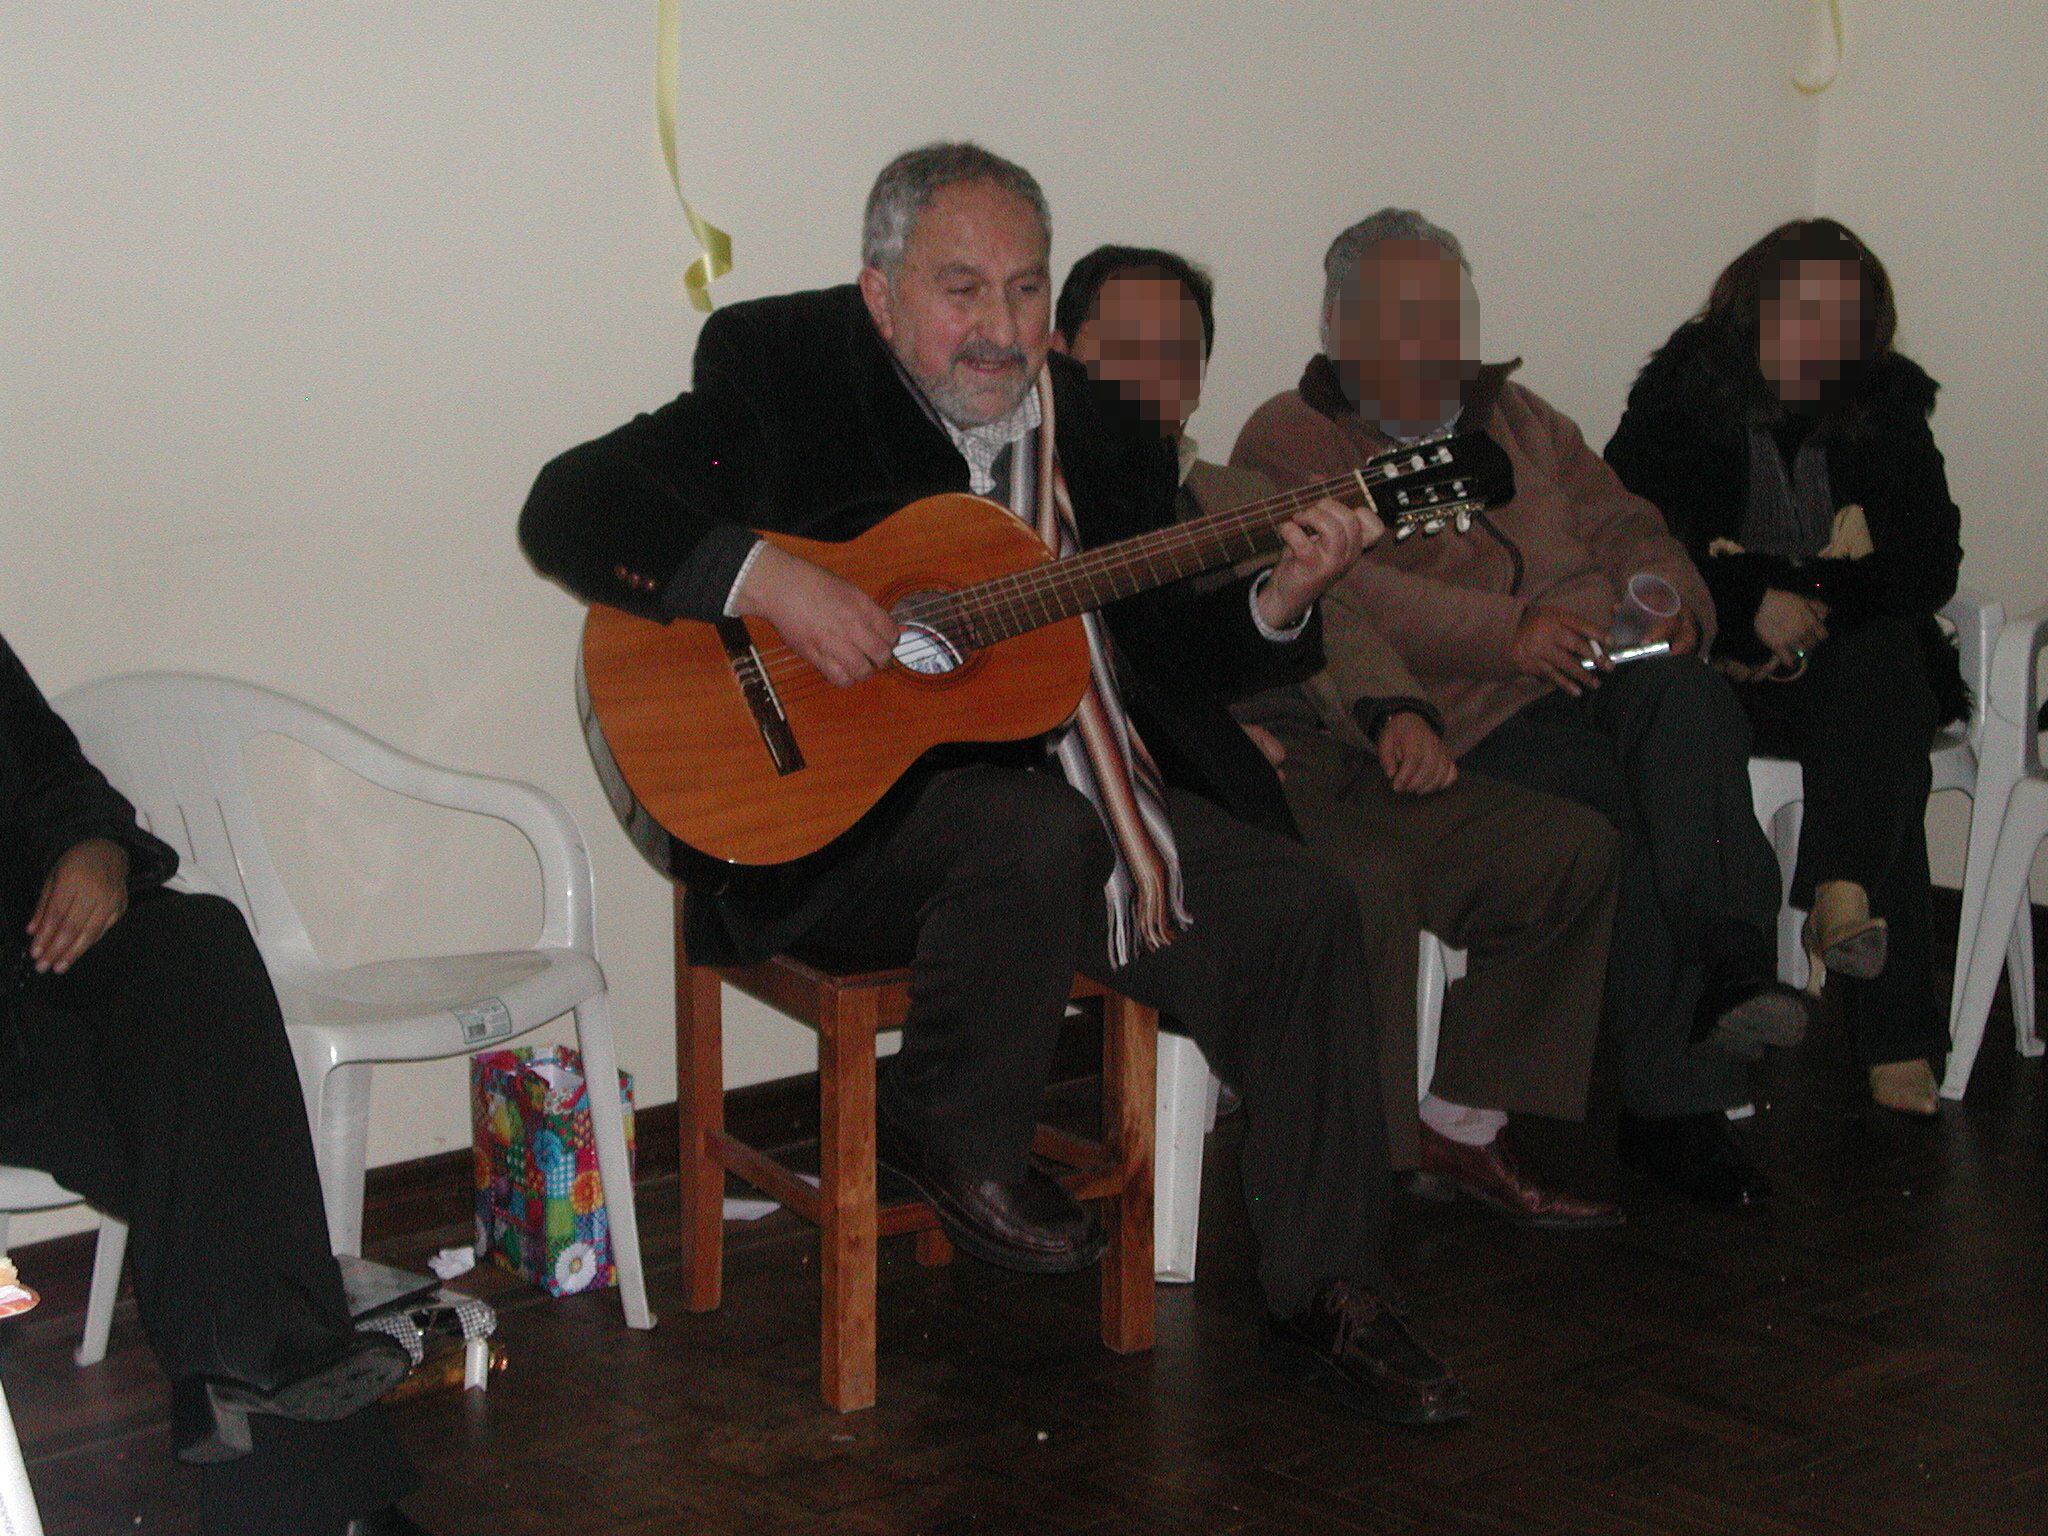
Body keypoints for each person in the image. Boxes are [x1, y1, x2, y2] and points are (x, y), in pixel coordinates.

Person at [522, 143, 1469, 1424]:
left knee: (1302, 906)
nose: (1001, 328)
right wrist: (773, 584)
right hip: (833, 831)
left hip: (1072, 817)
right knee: (1025, 829)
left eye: (1025, 291)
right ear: (879, 293)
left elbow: (1165, 649)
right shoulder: (787, 376)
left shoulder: (1103, 426)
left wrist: (1281, 594)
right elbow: (568, 507)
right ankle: (950, 1131)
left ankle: (1328, 1294)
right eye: (959, 289)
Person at [1233, 209, 1803, 1209]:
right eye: (1402, 318)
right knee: (1605, 814)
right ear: (1335, 322)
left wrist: (1673, 602)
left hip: (1603, 657)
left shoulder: (1519, 415)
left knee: (1692, 708)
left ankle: (1727, 964)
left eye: (1448, 317)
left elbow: (1621, 517)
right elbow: (1349, 599)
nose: (1432, 346)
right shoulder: (1291, 435)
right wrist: (1507, 633)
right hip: (1474, 705)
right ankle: (1675, 1107)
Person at [1055, 244, 1624, 1226]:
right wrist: (1214, 733)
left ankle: (1459, 1124)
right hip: (1203, 787)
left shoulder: (1235, 492)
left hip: (1332, 750)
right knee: (1358, 891)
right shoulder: (1038, 511)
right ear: (1059, 354)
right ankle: (1355, 1184)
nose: (1158, 375)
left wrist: (1399, 711)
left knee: (1563, 853)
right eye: (1127, 348)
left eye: (1181, 353)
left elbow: (1345, 622)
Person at [0, 635, 426, 1536]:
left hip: (34, 958)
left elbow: (49, 767)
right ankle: (325, 1501)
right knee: (211, 1156)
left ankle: (288, 1482)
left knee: (196, 954)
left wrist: (95, 843)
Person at [1606, 218, 1966, 1116]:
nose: (1818, 337)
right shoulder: (1683, 397)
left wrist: (1815, 607)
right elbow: (1632, 539)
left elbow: (1928, 562)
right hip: (1727, 670)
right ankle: (1889, 1019)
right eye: (1799, 313)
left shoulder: (1883, 406)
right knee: (1884, 747)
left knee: (1881, 674)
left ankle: (1841, 889)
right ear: (1752, 310)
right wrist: (1749, 599)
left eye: (1842, 321)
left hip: (1849, 666)